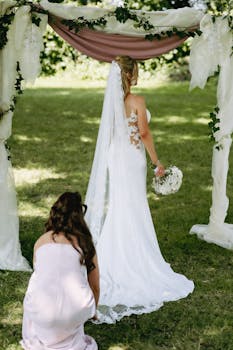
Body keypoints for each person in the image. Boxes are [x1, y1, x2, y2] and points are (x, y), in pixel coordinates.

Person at [85, 56, 194, 324]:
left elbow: (109, 134)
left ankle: (113, 253)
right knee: (133, 204)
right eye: (136, 71)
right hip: (133, 158)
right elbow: (144, 133)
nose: (137, 75)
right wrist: (157, 162)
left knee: (120, 205)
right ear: (130, 75)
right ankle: (136, 256)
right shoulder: (138, 101)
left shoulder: (111, 102)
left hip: (115, 157)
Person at [20, 192, 99, 350]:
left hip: (42, 311)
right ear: (79, 217)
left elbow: (42, 277)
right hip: (75, 311)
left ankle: (45, 333)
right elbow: (95, 286)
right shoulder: (85, 243)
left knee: (35, 284)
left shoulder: (41, 241)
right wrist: (93, 311)